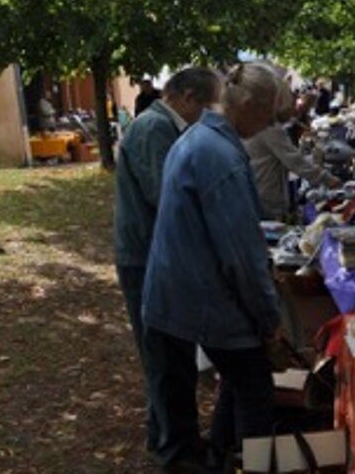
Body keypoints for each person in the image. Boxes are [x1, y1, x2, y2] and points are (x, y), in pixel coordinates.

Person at [142, 63, 284, 472]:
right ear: (249, 105)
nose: (271, 122)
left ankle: (219, 459)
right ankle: (246, 464)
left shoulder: (197, 138)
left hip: (182, 291)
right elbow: (241, 256)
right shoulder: (219, 155)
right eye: (270, 112)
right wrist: (267, 316)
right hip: (204, 298)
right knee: (254, 388)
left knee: (238, 383)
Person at [114, 67, 221, 465]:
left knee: (170, 357)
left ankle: (165, 437)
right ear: (189, 98)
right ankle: (177, 452)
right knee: (165, 359)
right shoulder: (154, 129)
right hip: (145, 259)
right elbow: (168, 196)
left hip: (153, 255)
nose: (211, 116)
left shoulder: (164, 128)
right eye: (209, 106)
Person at [245, 78, 341, 220]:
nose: (292, 104)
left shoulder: (255, 122)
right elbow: (295, 162)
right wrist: (329, 179)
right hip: (267, 199)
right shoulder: (269, 127)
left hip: (257, 194)